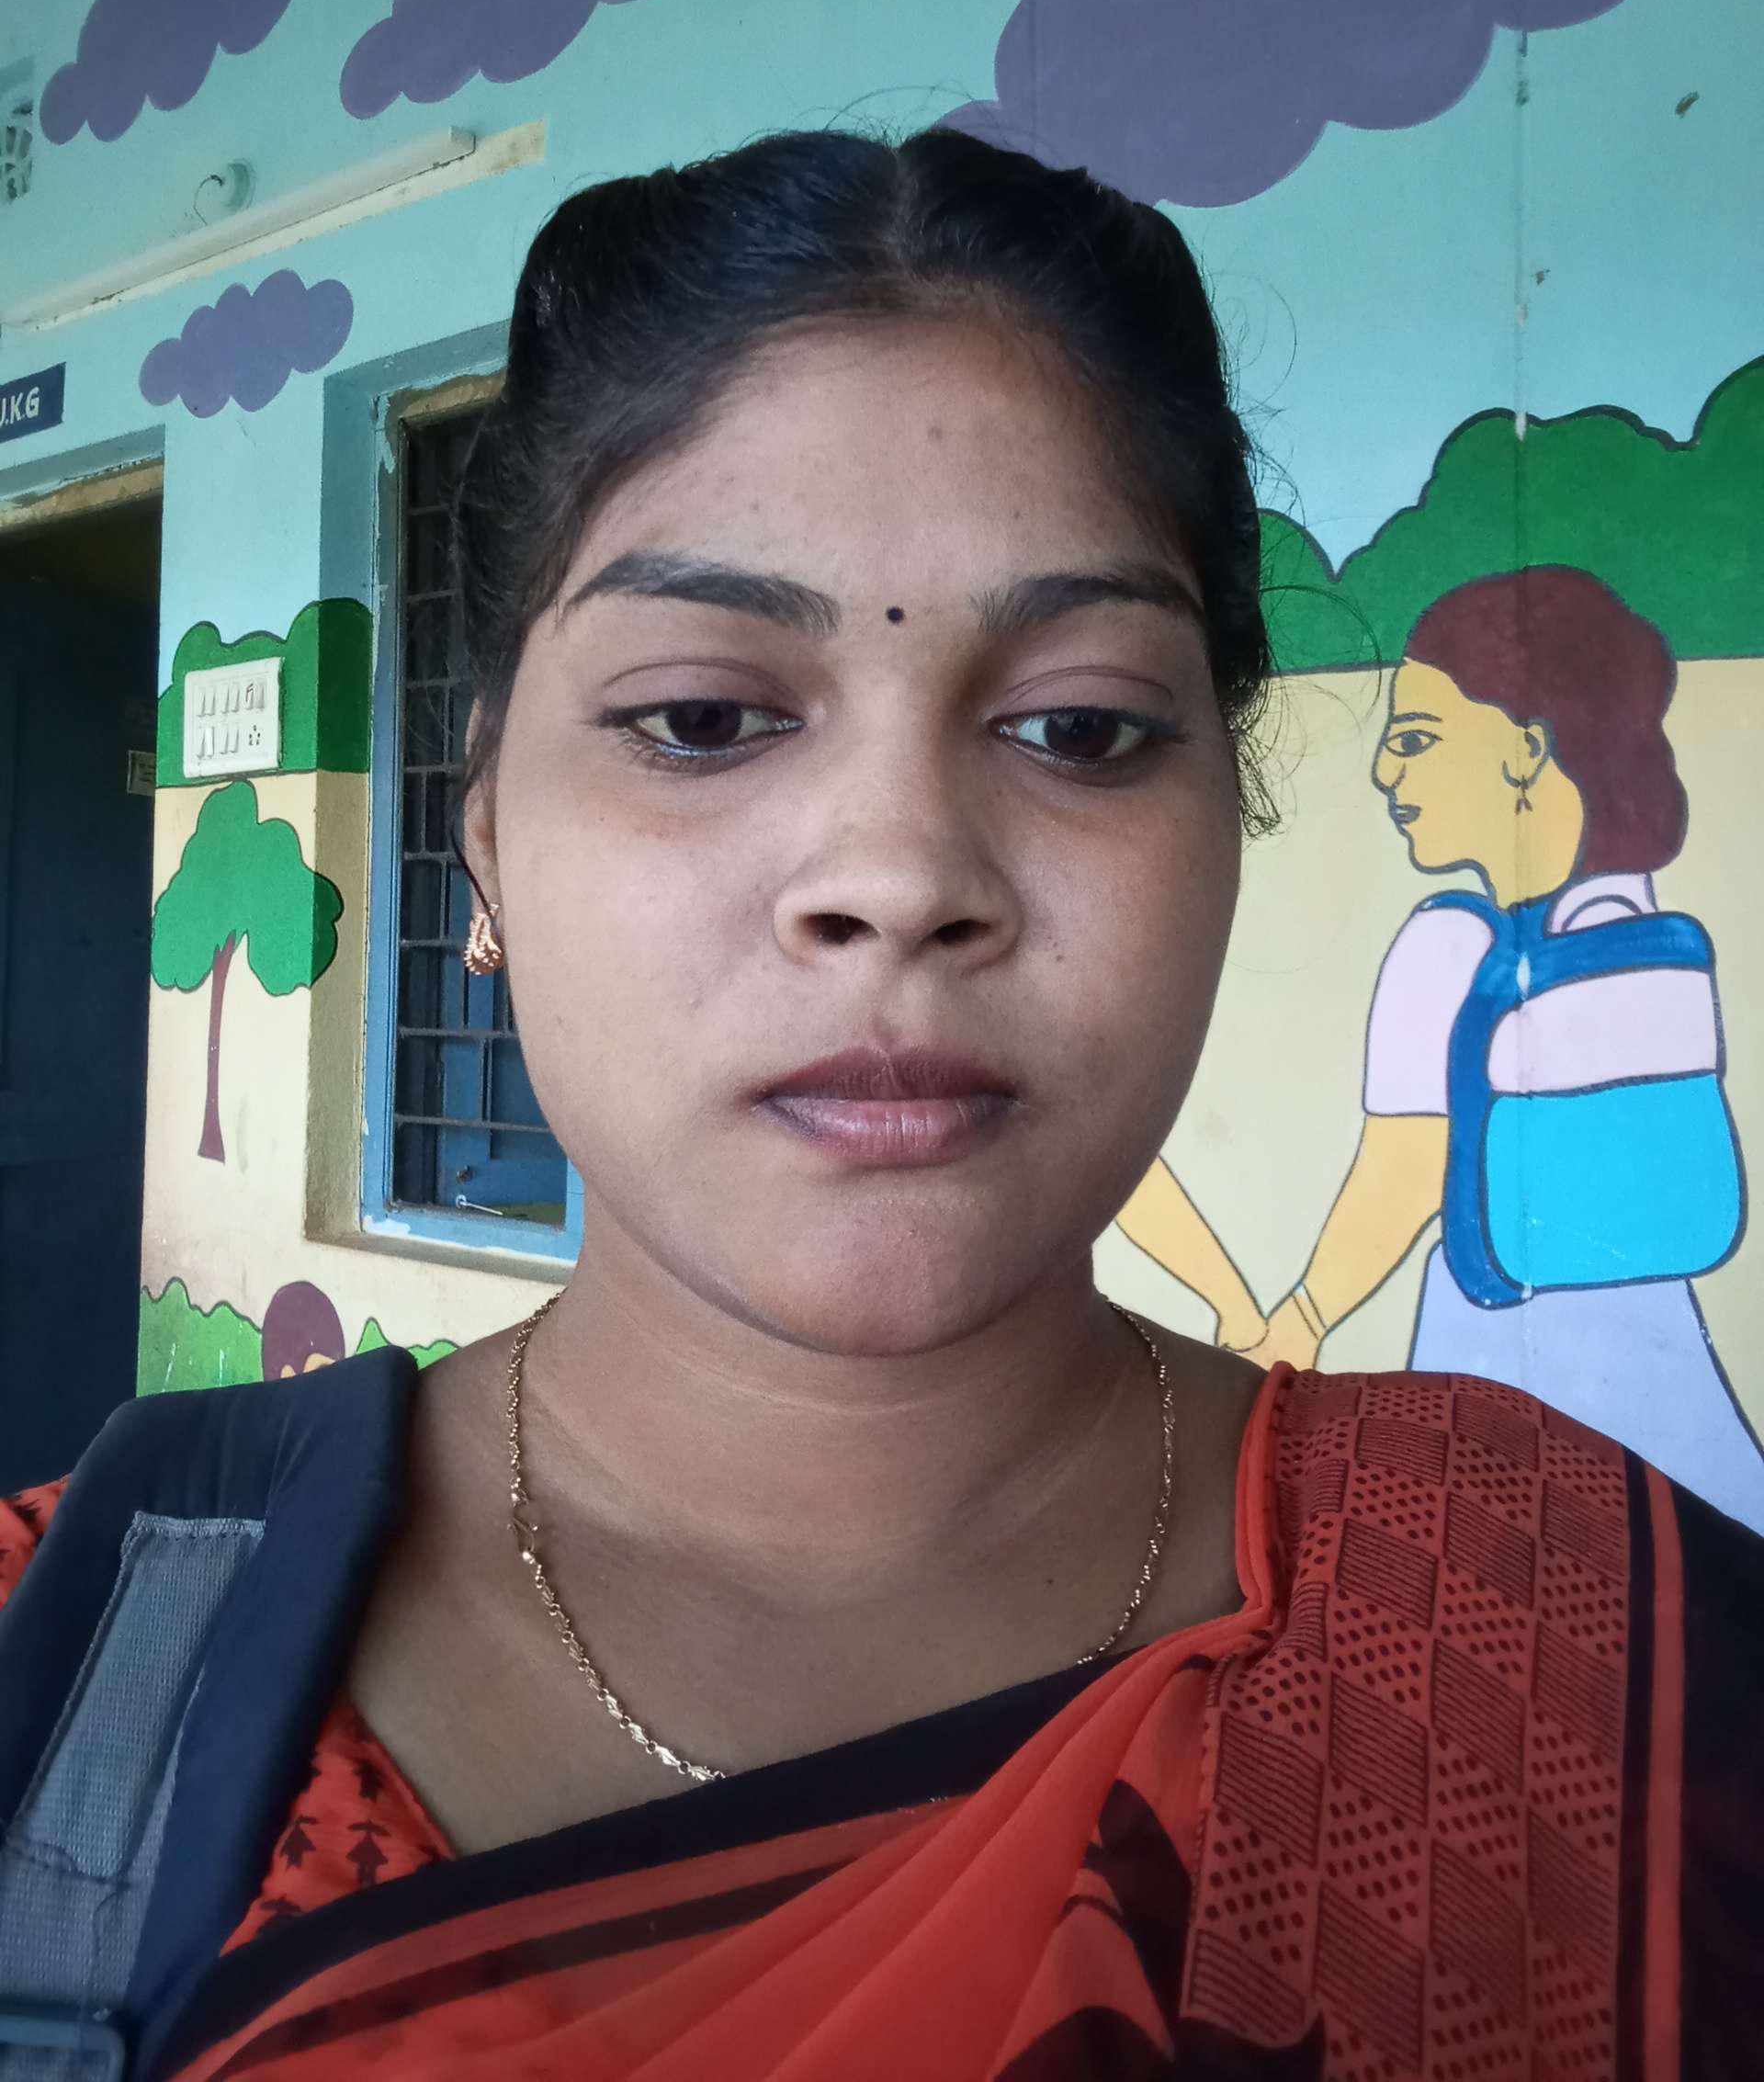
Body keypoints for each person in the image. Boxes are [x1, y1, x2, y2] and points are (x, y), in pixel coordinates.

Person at [3, 132, 1762, 2080]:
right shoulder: (61, 1666)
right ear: (483, 830)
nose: (902, 873)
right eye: (702, 718)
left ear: (1228, 821)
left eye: (1079, 726)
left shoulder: (1567, 1630)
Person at [1243, 567, 1763, 1533]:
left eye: (1415, 739)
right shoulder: (1637, 921)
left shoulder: (1451, 948)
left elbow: (1401, 1174)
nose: (1384, 773)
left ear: (1525, 750)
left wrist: (1301, 1320)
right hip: (1663, 1357)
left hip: (1487, 1351)